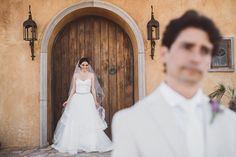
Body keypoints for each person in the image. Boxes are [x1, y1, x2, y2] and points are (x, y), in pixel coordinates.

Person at [111, 10, 236, 157]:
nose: (196, 58)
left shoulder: (229, 121)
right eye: (187, 47)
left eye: (204, 50)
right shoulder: (129, 121)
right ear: (164, 54)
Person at [51, 57, 112, 154]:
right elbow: (73, 89)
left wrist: (95, 101)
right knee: (74, 121)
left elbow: (93, 89)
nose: (85, 66)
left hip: (88, 99)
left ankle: (90, 144)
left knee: (89, 121)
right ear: (79, 65)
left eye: (87, 65)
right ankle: (74, 144)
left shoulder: (91, 75)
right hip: (77, 99)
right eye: (83, 65)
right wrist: (68, 100)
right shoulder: (76, 75)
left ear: (88, 66)